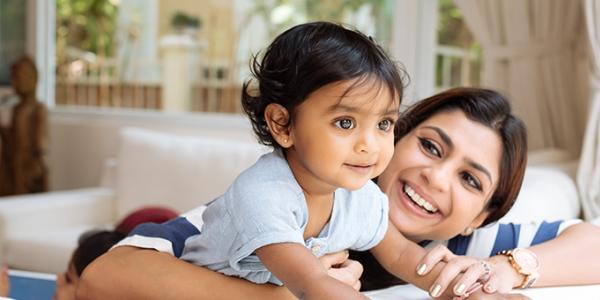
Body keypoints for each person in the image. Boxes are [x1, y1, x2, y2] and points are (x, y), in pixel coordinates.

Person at [77, 77, 600, 299]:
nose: (434, 178)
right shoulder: (287, 207)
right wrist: (288, 291)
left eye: (469, 179)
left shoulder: (460, 253)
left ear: (479, 218)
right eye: (431, 147)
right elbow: (105, 276)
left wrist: (507, 269)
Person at [108, 21, 466, 300]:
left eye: (384, 123)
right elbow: (311, 285)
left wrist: (460, 287)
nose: (369, 145)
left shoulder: (360, 198)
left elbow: (403, 256)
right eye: (345, 122)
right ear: (282, 124)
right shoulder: (263, 194)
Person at [0, 56, 48, 196]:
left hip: (28, 167)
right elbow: (13, 137)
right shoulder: (17, 109)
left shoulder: (38, 109)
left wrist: (36, 165)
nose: (13, 83)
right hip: (12, 165)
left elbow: (41, 142)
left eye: (16, 78)